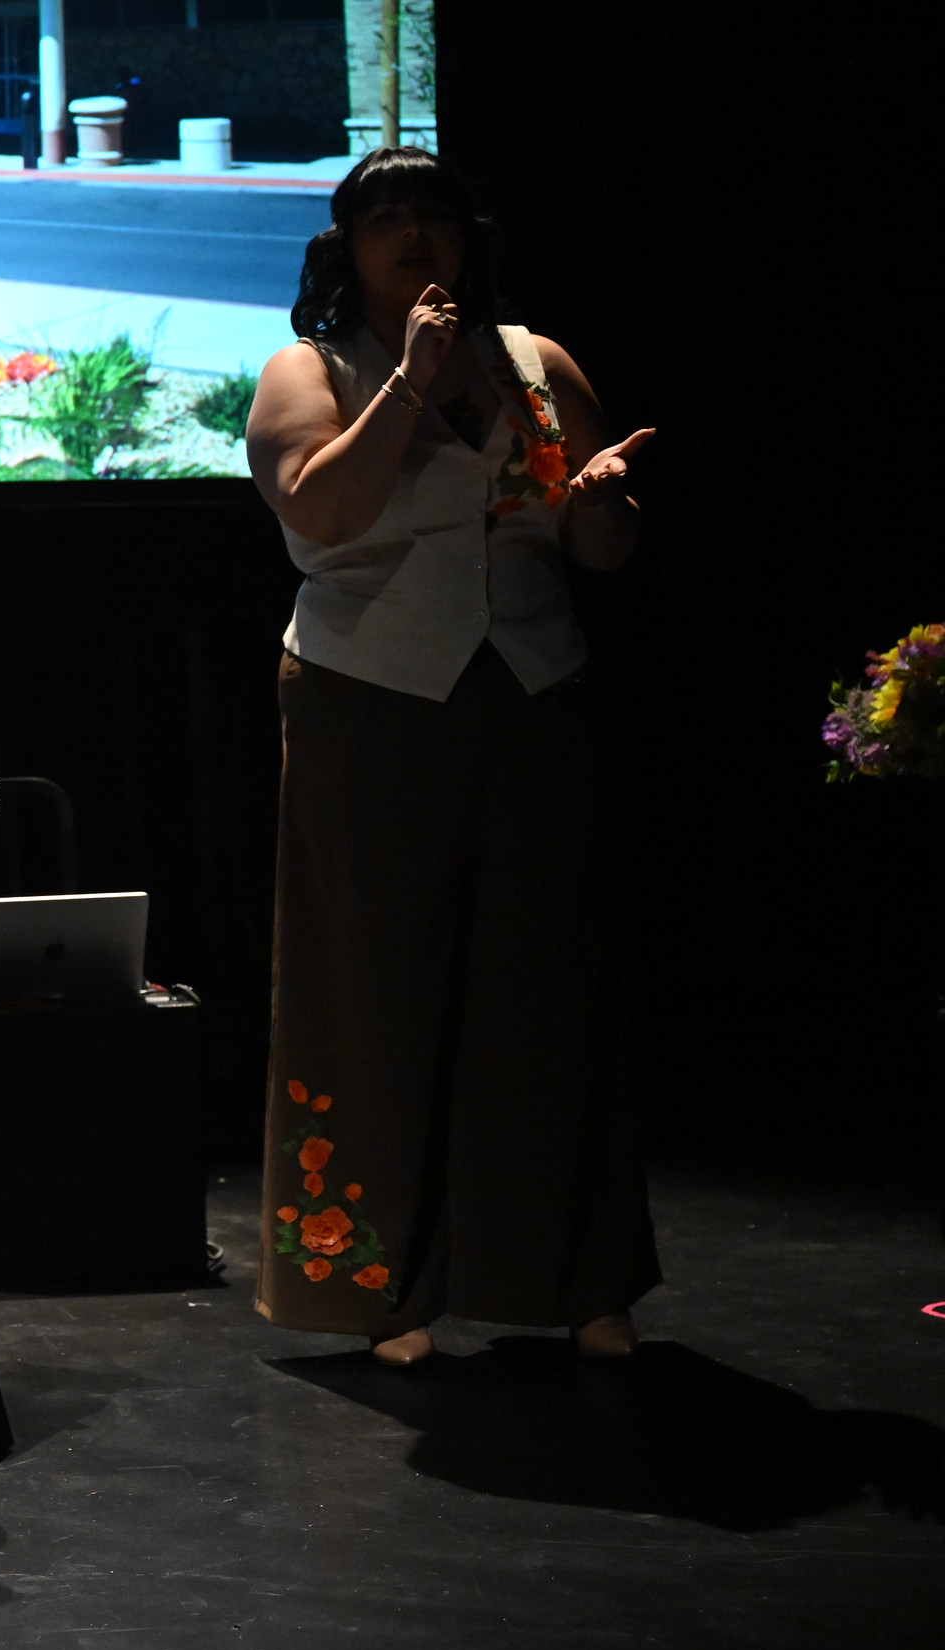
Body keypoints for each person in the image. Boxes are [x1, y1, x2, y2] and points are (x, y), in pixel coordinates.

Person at [244, 147, 658, 1367]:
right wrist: (410, 381)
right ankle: (384, 1290)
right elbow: (318, 511)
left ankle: (575, 1277)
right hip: (370, 696)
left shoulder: (536, 363)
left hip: (531, 690)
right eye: (387, 216)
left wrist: (601, 503)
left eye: (433, 212)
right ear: (347, 245)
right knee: (373, 990)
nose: (413, 233)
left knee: (547, 989)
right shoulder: (309, 369)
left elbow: (600, 549)